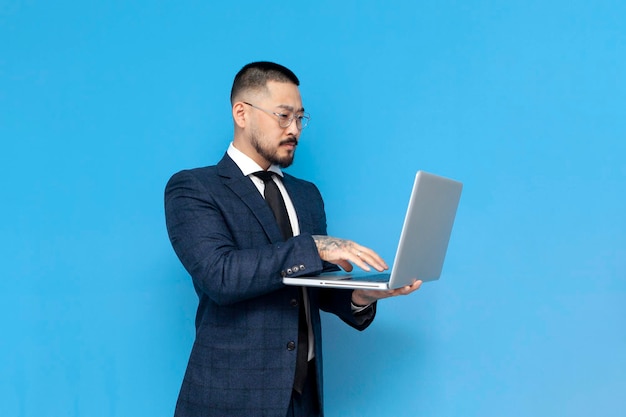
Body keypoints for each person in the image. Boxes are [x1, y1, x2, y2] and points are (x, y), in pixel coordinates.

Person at [164, 61, 422, 417]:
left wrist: (362, 295)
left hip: (303, 398)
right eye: (283, 116)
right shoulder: (194, 188)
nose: (295, 130)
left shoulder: (306, 195)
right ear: (242, 113)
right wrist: (314, 245)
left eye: (300, 118)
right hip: (231, 399)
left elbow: (314, 285)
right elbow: (220, 276)